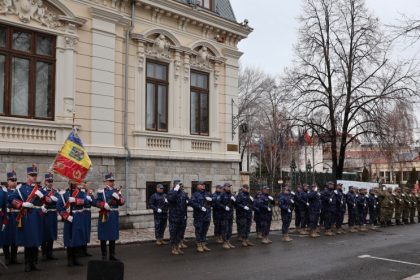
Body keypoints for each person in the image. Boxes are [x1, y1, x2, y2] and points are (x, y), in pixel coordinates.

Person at [8, 164, 46, 272]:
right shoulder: (21, 188)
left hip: (37, 217)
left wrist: (42, 197)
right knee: (29, 241)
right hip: (28, 217)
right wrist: (22, 204)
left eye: (35, 175)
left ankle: (35, 262)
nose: (34, 177)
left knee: (36, 241)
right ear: (27, 176)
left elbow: (48, 200)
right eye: (31, 175)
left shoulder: (39, 189)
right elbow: (11, 199)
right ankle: (27, 264)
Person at [94, 173, 125, 261]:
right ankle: (104, 255)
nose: (112, 182)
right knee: (103, 235)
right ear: (106, 181)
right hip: (105, 214)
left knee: (113, 235)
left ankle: (112, 255)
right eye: (110, 181)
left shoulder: (117, 191)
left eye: (113, 181)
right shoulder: (101, 191)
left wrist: (119, 198)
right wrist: (103, 205)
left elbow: (122, 202)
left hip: (114, 215)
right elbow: (94, 202)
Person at [57, 181, 88, 267]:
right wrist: (66, 216)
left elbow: (86, 202)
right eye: (72, 181)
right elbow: (59, 207)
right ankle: (70, 260)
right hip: (70, 219)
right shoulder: (64, 194)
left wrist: (76, 200)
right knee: (69, 238)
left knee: (77, 238)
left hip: (79, 218)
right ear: (69, 182)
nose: (75, 183)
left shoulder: (81, 192)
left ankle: (76, 259)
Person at [41, 173, 59, 260]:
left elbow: (59, 201)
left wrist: (53, 200)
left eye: (51, 181)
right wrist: (41, 207)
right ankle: (44, 253)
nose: (50, 183)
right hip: (44, 215)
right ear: (45, 181)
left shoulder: (55, 191)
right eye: (48, 181)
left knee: (51, 233)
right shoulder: (41, 190)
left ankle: (50, 253)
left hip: (52, 214)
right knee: (44, 233)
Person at [3, 171, 20, 265]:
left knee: (15, 238)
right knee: (6, 238)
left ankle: (14, 257)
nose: (14, 182)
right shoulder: (4, 191)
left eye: (15, 180)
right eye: (12, 180)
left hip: (16, 218)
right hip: (6, 218)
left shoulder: (18, 192)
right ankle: (7, 258)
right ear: (7, 181)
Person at [167, 181, 188, 255]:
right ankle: (173, 248)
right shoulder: (171, 192)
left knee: (179, 233)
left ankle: (177, 247)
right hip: (174, 217)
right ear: (174, 185)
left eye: (181, 185)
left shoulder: (182, 193)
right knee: (173, 233)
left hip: (181, 216)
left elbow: (186, 203)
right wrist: (175, 190)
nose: (180, 186)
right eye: (178, 185)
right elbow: (171, 199)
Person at [190, 181, 212, 253]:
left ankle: (203, 243)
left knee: (205, 230)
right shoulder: (195, 194)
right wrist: (200, 207)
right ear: (198, 186)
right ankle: (199, 245)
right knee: (199, 230)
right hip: (199, 216)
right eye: (201, 185)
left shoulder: (207, 193)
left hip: (207, 216)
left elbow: (214, 201)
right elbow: (192, 202)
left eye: (204, 185)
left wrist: (212, 199)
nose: (203, 186)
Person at [220, 183, 235, 249]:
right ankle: (224, 242)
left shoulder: (231, 195)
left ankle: (228, 241)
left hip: (230, 214)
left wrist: (234, 200)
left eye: (229, 186)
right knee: (225, 229)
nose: (229, 188)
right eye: (228, 186)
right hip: (224, 215)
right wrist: (224, 207)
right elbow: (218, 203)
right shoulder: (222, 194)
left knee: (230, 229)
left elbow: (234, 204)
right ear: (224, 187)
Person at [81, 182, 93, 257]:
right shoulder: (79, 192)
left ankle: (85, 249)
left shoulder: (88, 192)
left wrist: (90, 197)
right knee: (82, 231)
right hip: (82, 213)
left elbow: (93, 201)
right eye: (83, 184)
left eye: (85, 184)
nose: (84, 185)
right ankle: (79, 250)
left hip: (88, 213)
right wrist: (86, 197)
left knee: (87, 231)